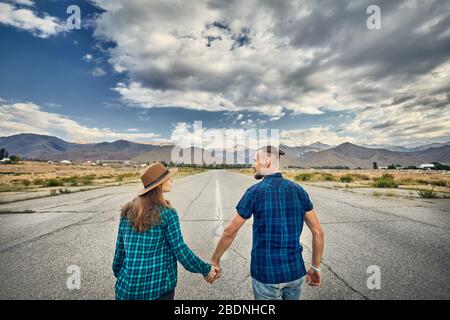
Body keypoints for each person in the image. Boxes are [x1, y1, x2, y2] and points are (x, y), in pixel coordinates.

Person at [211, 146, 325, 300]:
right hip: (294, 272)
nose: (253, 165)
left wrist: (215, 259)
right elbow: (318, 232)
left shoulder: (255, 192)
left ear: (267, 162)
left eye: (255, 161)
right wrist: (315, 266)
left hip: (266, 273)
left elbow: (230, 231)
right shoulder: (298, 190)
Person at [112, 162, 219, 300]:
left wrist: (122, 276)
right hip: (156, 290)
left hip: (125, 290)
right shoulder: (167, 213)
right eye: (168, 178)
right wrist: (206, 270)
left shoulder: (127, 209)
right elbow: (180, 250)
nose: (172, 180)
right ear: (159, 184)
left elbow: (119, 252)